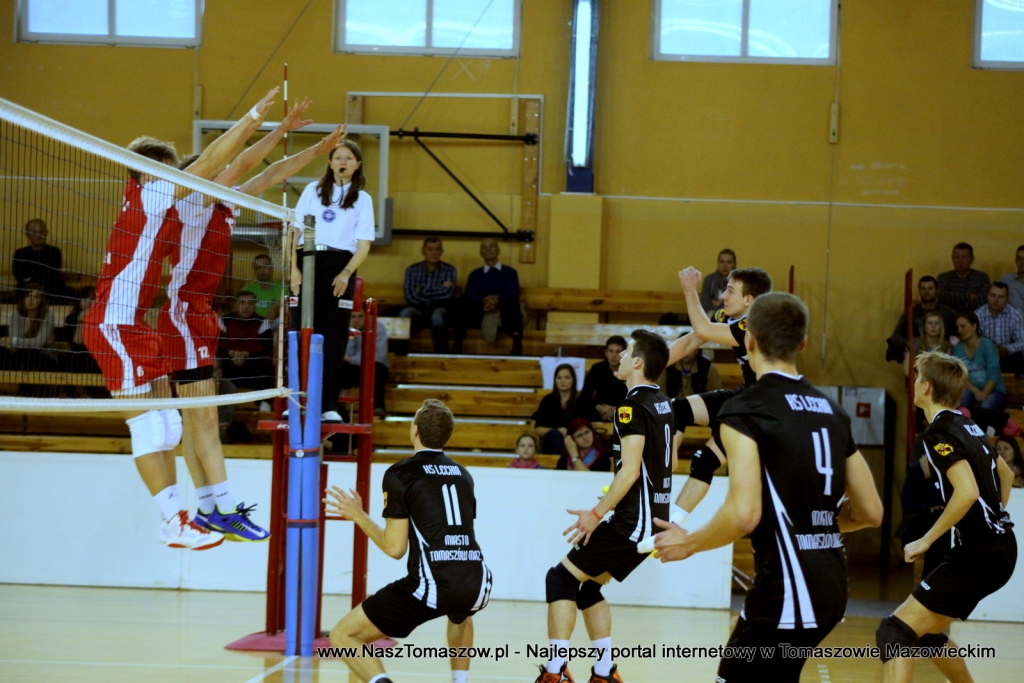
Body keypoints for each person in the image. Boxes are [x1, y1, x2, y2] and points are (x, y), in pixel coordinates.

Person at [82, 87, 281, 550]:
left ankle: (184, 518)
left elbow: (224, 172)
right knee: (151, 427)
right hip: (113, 324)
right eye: (174, 172)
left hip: (138, 324)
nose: (183, 181)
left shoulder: (164, 204)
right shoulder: (151, 193)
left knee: (170, 426)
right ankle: (173, 520)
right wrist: (255, 115)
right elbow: (213, 162)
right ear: (152, 172)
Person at [653, 292, 884, 683]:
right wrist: (811, 525)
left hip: (788, 587)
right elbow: (870, 512)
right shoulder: (833, 412)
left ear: (749, 341)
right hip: (831, 585)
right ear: (802, 343)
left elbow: (743, 514)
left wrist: (689, 543)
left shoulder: (746, 409)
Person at [159, 99, 325, 543]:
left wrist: (316, 149)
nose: (226, 176)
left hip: (198, 316)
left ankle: (208, 509)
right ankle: (225, 507)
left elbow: (269, 174)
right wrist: (278, 126)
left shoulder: (224, 207)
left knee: (197, 421)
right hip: (184, 316)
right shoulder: (191, 201)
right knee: (205, 420)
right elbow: (245, 162)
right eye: (218, 173)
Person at [536, 330, 674, 683]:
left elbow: (631, 470)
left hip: (633, 523)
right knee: (588, 588)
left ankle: (555, 672)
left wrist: (596, 515)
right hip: (651, 519)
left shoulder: (630, 407)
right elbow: (658, 464)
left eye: (627, 351)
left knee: (560, 579)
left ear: (638, 362)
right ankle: (603, 672)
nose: (621, 356)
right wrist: (620, 497)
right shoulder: (662, 402)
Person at [325, 399, 491, 683]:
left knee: (344, 636)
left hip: (432, 585)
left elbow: (395, 548)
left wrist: (358, 515)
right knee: (460, 613)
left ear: (415, 430)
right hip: (476, 582)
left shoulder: (401, 473)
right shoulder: (464, 475)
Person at [873, 351, 1016, 683]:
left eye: (917, 377)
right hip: (998, 547)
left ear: (926, 387)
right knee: (924, 635)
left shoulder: (938, 433)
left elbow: (966, 492)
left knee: (894, 632)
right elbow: (1006, 474)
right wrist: (995, 519)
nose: (913, 383)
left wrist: (926, 539)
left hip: (980, 553)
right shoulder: (968, 425)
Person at [666, 266, 773, 527]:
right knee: (676, 409)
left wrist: (690, 290)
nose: (723, 296)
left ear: (749, 300)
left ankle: (672, 524)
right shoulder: (727, 315)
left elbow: (703, 330)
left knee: (705, 461)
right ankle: (666, 468)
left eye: (730, 291)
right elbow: (691, 341)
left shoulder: (756, 324)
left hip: (761, 409)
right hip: (745, 396)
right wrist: (646, 366)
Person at [291, 131, 375, 423]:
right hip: (308, 260)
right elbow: (295, 230)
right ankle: (296, 400)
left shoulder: (362, 199)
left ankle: (328, 404)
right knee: (299, 331)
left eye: (348, 158)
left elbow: (364, 245)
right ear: (329, 162)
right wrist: (293, 268)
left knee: (334, 337)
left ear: (357, 164)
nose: (342, 162)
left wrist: (346, 273)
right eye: (338, 157)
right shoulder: (312, 191)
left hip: (341, 265)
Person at [454, 238, 523, 356]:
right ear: (481, 253)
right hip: (481, 310)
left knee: (513, 302)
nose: (488, 249)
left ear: (498, 251)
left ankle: (517, 342)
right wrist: (484, 300)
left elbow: (513, 291)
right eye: (484, 247)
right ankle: (457, 343)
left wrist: (497, 300)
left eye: (491, 246)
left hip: (503, 310)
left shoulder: (510, 272)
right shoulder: (475, 274)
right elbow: (470, 293)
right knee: (462, 301)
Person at [897, 448, 949, 579]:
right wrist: (928, 477)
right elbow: (907, 503)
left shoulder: (948, 468)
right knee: (934, 524)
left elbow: (944, 499)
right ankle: (929, 577)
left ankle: (933, 576)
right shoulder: (917, 468)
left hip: (944, 520)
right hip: (921, 520)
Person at [400, 237, 457, 353]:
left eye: (437, 249)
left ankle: (441, 355)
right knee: (405, 314)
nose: (434, 253)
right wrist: (439, 287)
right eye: (430, 249)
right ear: (423, 251)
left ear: (441, 252)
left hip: (440, 308)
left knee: (437, 317)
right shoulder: (412, 270)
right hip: (417, 309)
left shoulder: (449, 270)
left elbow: (447, 294)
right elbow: (410, 297)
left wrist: (421, 290)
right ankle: (399, 354)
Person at [886, 276, 959, 361]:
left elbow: (963, 329)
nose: (926, 292)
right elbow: (895, 337)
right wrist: (911, 344)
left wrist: (951, 345)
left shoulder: (948, 312)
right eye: (923, 289)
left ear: (937, 290)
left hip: (943, 355)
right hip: (918, 356)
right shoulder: (911, 313)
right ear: (919, 291)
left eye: (930, 288)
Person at [218, 291, 274, 393]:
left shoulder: (262, 322)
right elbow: (216, 345)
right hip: (228, 362)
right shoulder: (223, 321)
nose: (246, 307)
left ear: (255, 306)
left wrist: (246, 354)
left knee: (266, 363)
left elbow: (267, 348)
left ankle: (264, 400)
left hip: (252, 364)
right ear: (235, 305)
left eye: (250, 303)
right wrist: (231, 353)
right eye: (242, 303)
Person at [952, 311, 1007, 412]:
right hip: (971, 390)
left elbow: (993, 375)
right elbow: (961, 377)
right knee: (962, 401)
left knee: (985, 407)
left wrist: (983, 394)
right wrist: (976, 392)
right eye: (958, 327)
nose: (959, 330)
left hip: (994, 390)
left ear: (974, 326)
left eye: (963, 326)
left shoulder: (987, 345)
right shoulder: (958, 349)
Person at [342, 309, 389, 418]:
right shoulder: (345, 327)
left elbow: (380, 355)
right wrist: (352, 335)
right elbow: (344, 354)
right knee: (337, 369)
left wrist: (352, 359)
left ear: (367, 316)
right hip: (354, 368)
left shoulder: (378, 327)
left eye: (360, 316)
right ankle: (336, 407)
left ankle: (378, 407)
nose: (357, 320)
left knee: (377, 370)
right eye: (353, 317)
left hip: (374, 366)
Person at [0, 283, 57, 373]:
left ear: (41, 300)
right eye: (28, 296)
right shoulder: (15, 316)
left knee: (30, 356)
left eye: (36, 297)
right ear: (23, 299)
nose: (31, 300)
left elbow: (38, 343)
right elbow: (14, 347)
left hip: (44, 356)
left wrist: (13, 340)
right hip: (21, 356)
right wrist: (13, 342)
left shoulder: (48, 315)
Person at [974, 281, 1024, 375]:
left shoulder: (1016, 314)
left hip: (1008, 356)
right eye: (993, 295)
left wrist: (1007, 348)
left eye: (1000, 297)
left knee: (1018, 357)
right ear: (987, 296)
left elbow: (1022, 341)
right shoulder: (977, 315)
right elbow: (973, 341)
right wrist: (991, 349)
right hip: (985, 356)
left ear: (1007, 300)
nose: (996, 300)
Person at [12, 218, 67, 302]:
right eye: (34, 232)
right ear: (27, 235)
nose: (39, 235)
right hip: (26, 291)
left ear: (46, 233)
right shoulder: (20, 253)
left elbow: (52, 276)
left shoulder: (54, 252)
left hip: (51, 292)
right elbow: (20, 276)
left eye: (41, 232)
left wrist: (31, 277)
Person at [576, 336, 627, 422]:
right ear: (606, 353)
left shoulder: (630, 371)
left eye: (618, 351)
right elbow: (585, 396)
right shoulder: (597, 369)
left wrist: (616, 409)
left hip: (623, 411)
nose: (614, 355)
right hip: (599, 411)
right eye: (611, 351)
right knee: (581, 408)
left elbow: (634, 398)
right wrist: (600, 408)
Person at [533, 363, 579, 454]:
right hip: (550, 444)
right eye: (559, 378)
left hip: (574, 442)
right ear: (555, 380)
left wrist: (568, 433)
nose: (562, 381)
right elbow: (538, 429)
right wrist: (557, 432)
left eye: (567, 377)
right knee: (555, 435)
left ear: (573, 380)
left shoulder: (581, 401)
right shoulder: (548, 400)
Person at [937, 242, 991, 313]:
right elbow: (942, 297)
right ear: (952, 258)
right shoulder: (944, 278)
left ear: (972, 259)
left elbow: (983, 300)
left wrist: (954, 303)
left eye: (964, 257)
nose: (960, 261)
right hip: (949, 317)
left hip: (975, 316)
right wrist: (968, 296)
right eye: (957, 257)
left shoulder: (981, 277)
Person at [902, 312, 952, 376]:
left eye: (936, 323)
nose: (933, 326)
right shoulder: (914, 343)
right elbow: (907, 369)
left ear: (941, 327)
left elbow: (948, 372)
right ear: (924, 326)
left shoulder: (947, 346)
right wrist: (921, 380)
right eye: (930, 323)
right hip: (918, 380)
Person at [240, 254, 283, 320]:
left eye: (265, 266)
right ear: (254, 270)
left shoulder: (281, 288)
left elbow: (276, 309)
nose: (262, 270)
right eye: (258, 267)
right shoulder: (247, 289)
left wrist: (263, 325)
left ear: (272, 268)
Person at [699, 248, 736, 314]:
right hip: (712, 314)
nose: (725, 266)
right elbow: (705, 306)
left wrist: (719, 303)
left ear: (734, 264)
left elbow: (738, 305)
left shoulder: (739, 281)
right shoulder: (709, 280)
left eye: (729, 262)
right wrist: (723, 304)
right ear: (718, 263)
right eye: (722, 262)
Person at [998, 244, 1024, 315]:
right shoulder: (1005, 280)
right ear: (1015, 260)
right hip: (1011, 320)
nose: (1022, 262)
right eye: (1019, 258)